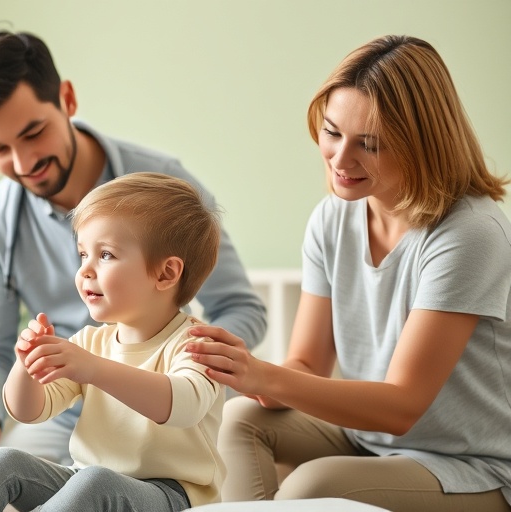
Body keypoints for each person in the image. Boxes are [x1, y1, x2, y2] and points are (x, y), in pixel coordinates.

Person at [185, 35, 511, 512]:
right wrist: (238, 374)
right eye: (332, 132)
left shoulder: (469, 234)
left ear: (423, 144)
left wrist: (266, 375)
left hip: (474, 467)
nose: (339, 160)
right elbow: (307, 366)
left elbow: (402, 406)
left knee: (310, 488)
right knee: (237, 420)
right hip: (367, 440)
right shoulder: (333, 218)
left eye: (370, 145)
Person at [0, 29, 268, 482]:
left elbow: (241, 309)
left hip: (168, 406)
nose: (22, 163)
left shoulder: (165, 184)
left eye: (33, 133)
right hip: (61, 410)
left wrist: (181, 365)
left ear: (67, 99)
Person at [0, 173, 227, 512]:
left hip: (170, 496)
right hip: (86, 479)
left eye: (106, 255)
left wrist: (94, 370)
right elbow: (29, 411)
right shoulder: (89, 342)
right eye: (83, 254)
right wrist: (25, 365)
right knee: (4, 461)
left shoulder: (199, 345)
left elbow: (181, 406)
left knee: (94, 481)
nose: (85, 270)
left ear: (166, 273)